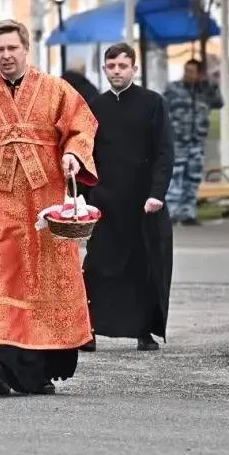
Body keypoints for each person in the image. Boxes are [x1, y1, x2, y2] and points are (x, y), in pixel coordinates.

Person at [0, 20, 97, 396]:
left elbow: (82, 126)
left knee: (45, 279)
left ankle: (38, 370)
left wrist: (74, 154)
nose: (6, 56)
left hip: (46, 203)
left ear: (26, 49)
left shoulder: (56, 89)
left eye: (12, 48)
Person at [83, 43, 175, 352]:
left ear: (134, 69)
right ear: (104, 69)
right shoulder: (95, 107)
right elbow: (87, 154)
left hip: (143, 202)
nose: (117, 72)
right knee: (98, 266)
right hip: (106, 202)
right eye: (111, 66)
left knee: (143, 266)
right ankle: (89, 329)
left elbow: (164, 153)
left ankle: (143, 331)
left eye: (123, 66)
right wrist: (86, 198)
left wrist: (157, 193)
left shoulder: (153, 103)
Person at [163, 58, 224, 226]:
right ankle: (171, 214)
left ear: (199, 74)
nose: (188, 75)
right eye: (186, 71)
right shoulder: (173, 89)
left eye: (192, 72)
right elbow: (160, 108)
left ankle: (188, 213)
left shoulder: (205, 91)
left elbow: (219, 103)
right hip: (178, 142)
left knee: (193, 178)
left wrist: (210, 85)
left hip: (197, 142)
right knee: (175, 178)